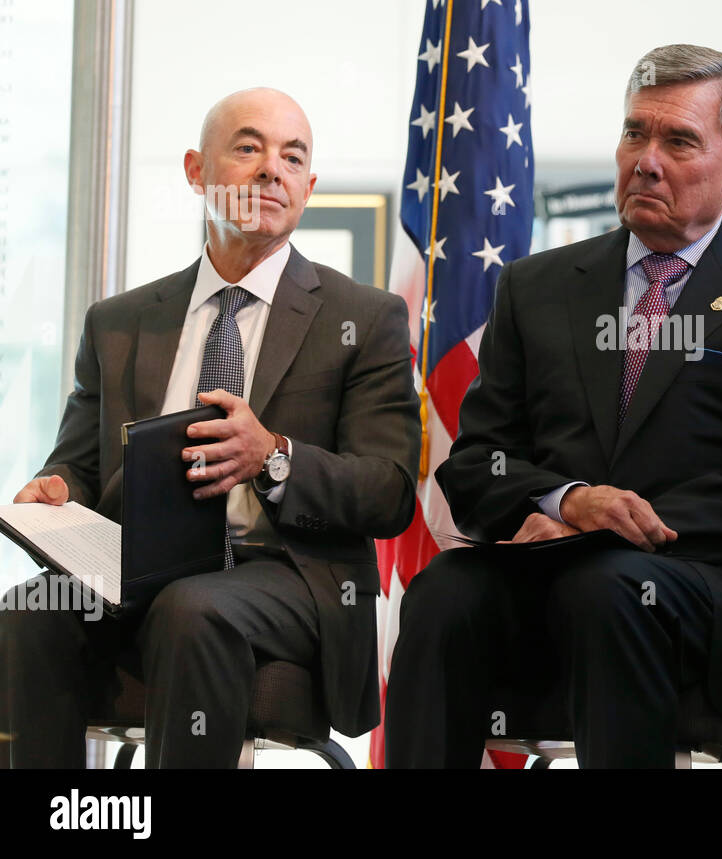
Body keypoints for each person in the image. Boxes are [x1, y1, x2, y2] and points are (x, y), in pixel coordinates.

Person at [384, 45, 722, 768]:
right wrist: (568, 501)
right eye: (635, 133)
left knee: (610, 587)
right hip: (550, 568)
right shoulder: (535, 287)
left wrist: (611, 532)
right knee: (444, 591)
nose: (647, 160)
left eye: (679, 141)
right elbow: (477, 464)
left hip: (714, 585)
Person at [0, 87, 421, 768]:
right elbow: (76, 466)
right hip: (132, 570)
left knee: (191, 607)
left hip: (287, 576)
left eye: (291, 157)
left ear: (308, 188)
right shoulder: (120, 321)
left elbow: (389, 490)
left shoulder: (362, 319)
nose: (270, 171)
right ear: (197, 171)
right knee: (31, 608)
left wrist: (273, 457)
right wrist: (56, 489)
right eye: (248, 148)